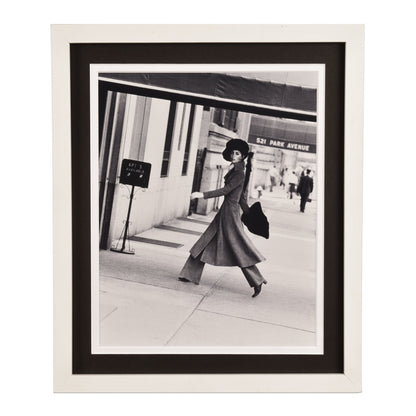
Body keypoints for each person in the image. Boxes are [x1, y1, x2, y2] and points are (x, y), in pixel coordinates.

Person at [178, 139, 267, 298]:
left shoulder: (239, 173)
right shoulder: (236, 169)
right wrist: (246, 212)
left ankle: (257, 280)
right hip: (227, 212)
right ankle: (189, 273)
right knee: (205, 241)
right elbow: (241, 198)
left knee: (238, 248)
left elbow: (226, 190)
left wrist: (202, 195)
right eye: (233, 152)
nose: (234, 155)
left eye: (238, 153)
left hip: (230, 215)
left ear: (243, 156)